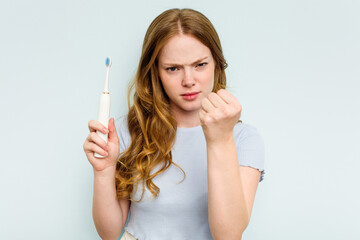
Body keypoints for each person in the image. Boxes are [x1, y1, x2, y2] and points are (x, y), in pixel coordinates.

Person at [83, 8, 265, 240]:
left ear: (217, 64)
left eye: (200, 65)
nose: (189, 81)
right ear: (155, 72)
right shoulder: (127, 131)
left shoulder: (243, 139)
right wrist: (104, 171)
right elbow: (109, 233)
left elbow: (228, 235)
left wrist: (220, 139)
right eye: (173, 68)